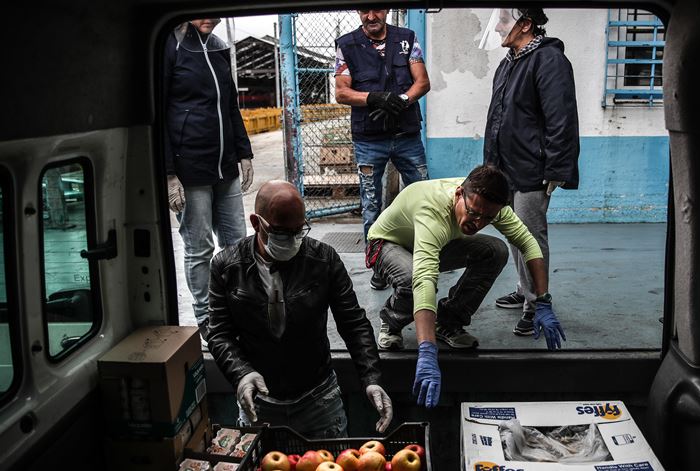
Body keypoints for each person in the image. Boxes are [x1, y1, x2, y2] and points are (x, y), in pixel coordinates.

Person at [366, 165, 566, 408]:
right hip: (388, 245)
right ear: (459, 194)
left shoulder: (491, 205)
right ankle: (392, 320)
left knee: (495, 251)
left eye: (487, 218)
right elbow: (424, 279)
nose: (478, 223)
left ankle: (448, 322)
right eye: (473, 213)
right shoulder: (433, 211)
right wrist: (427, 351)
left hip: (433, 245)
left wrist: (542, 300)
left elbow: (529, 244)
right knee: (411, 279)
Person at [206, 180, 393, 437]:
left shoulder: (323, 260)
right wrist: (242, 374)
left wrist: (371, 379)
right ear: (256, 222)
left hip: (318, 400)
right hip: (258, 401)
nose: (293, 240)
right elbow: (219, 333)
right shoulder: (227, 267)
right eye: (283, 232)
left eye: (299, 230)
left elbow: (353, 323)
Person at [483, 9, 580, 337]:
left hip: (532, 169)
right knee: (514, 233)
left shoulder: (549, 60)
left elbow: (560, 118)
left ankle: (536, 304)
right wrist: (491, 166)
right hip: (505, 168)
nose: (497, 27)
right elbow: (498, 116)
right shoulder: (510, 61)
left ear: (525, 24)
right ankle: (527, 290)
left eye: (503, 21)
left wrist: (555, 169)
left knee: (531, 238)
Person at [163, 19, 256, 340]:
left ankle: (239, 308)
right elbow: (157, 112)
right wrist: (169, 174)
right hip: (189, 168)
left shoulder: (217, 47)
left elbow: (230, 105)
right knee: (199, 246)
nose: (210, 19)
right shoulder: (171, 45)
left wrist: (244, 152)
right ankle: (208, 318)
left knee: (237, 244)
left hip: (225, 165)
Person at [334, 9, 431, 290]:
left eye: (376, 8)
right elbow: (341, 92)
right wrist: (375, 98)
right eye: (364, 10)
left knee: (422, 198)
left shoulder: (406, 39)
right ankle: (379, 265)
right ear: (358, 12)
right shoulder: (346, 44)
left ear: (386, 10)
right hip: (369, 139)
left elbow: (422, 82)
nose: (370, 15)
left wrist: (400, 100)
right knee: (371, 206)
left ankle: (423, 258)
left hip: (407, 136)